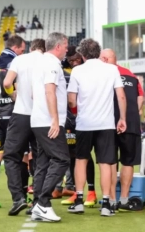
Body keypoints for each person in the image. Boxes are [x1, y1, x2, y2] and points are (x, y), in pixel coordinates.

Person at [67, 39, 126, 217]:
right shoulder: (111, 69)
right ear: (98, 53)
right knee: (106, 163)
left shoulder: (77, 70)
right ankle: (107, 203)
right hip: (106, 124)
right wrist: (122, 118)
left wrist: (76, 111)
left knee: (81, 160)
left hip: (84, 123)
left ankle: (78, 200)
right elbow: (121, 96)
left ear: (83, 55)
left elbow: (71, 100)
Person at [29, 32, 71, 222]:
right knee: (62, 159)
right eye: (66, 45)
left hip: (39, 119)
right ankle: (43, 203)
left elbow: (33, 93)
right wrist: (55, 119)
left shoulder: (38, 62)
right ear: (58, 46)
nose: (68, 49)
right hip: (48, 121)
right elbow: (50, 91)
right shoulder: (52, 63)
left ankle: (38, 202)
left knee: (44, 162)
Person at [2, 38, 44, 215]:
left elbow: (6, 83)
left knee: (11, 156)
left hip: (21, 114)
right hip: (41, 115)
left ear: (31, 48)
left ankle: (18, 197)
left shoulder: (20, 59)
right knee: (41, 158)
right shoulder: (48, 60)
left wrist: (14, 95)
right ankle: (38, 201)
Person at [0, 35, 27, 209]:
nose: (23, 53)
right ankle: (22, 195)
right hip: (12, 114)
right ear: (15, 48)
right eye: (22, 50)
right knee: (21, 155)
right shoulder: (14, 63)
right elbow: (15, 86)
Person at [100, 48, 143, 211]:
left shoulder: (104, 73)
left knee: (109, 160)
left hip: (109, 121)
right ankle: (124, 199)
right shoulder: (131, 74)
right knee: (128, 161)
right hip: (131, 122)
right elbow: (141, 97)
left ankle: (111, 200)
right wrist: (133, 113)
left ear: (105, 59)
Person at [59, 46, 97, 207]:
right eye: (71, 60)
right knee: (73, 156)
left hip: (87, 119)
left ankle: (92, 192)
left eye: (76, 59)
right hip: (71, 121)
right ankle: (76, 191)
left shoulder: (88, 72)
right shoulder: (68, 73)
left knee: (85, 156)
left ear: (82, 57)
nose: (74, 62)